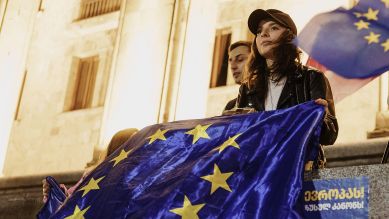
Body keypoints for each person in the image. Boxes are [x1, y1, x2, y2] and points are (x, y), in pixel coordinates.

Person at [235, 9, 338, 168]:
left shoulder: (311, 77)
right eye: (259, 31)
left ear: (289, 37)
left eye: (273, 28)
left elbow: (330, 135)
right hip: (258, 174)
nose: (264, 34)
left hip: (299, 171)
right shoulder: (247, 88)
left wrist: (321, 118)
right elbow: (238, 141)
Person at [42, 128, 138, 203]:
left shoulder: (143, 175)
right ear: (120, 147)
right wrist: (56, 193)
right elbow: (73, 200)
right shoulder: (94, 175)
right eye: (135, 141)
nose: (141, 145)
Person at [223, 41, 252, 112]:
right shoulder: (230, 106)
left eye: (240, 60)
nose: (233, 66)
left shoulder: (269, 98)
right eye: (230, 61)